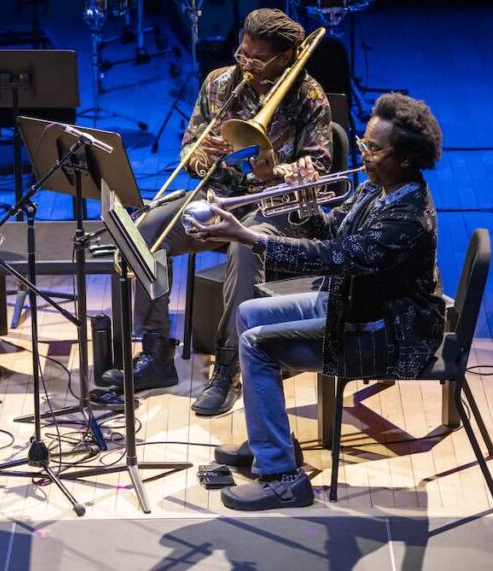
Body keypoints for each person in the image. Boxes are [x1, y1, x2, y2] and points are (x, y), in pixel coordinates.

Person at [186, 93, 446, 510]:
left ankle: (283, 478)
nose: (364, 155)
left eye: (375, 149)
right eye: (363, 143)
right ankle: (272, 440)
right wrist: (308, 208)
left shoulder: (407, 217)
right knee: (248, 313)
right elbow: (332, 233)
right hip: (354, 306)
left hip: (389, 336)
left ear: (406, 159)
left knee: (257, 345)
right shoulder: (377, 189)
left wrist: (249, 237)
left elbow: (337, 257)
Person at [103, 8, 332, 417]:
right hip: (220, 198)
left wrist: (276, 172)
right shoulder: (218, 83)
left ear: (285, 57)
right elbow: (188, 149)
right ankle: (156, 354)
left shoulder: (309, 97)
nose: (246, 65)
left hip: (274, 207)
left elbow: (318, 168)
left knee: (244, 249)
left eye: (257, 59)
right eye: (242, 53)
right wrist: (200, 155)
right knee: (145, 232)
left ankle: (229, 367)